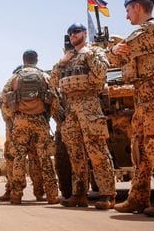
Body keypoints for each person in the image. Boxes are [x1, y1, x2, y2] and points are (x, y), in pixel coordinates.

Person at [107, 0, 154, 217]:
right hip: (145, 94)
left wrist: (112, 50)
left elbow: (118, 57)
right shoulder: (149, 30)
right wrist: (117, 48)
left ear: (137, 7)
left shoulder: (150, 29)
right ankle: (138, 198)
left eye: (128, 11)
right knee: (140, 149)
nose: (126, 16)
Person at [50, 23, 116, 210]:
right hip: (70, 107)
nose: (72, 35)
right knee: (75, 153)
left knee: (97, 150)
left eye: (76, 32)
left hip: (89, 104)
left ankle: (107, 194)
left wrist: (86, 54)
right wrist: (62, 62)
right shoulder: (67, 59)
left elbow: (101, 73)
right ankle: (79, 194)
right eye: (70, 33)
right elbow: (54, 81)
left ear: (85, 34)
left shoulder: (94, 51)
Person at [0, 50, 59, 205]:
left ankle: (16, 195)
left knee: (18, 157)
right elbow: (55, 98)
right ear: (36, 60)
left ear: (23, 60)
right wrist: (47, 116)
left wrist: (12, 115)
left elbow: (2, 98)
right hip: (40, 120)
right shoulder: (45, 76)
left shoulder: (15, 77)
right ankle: (52, 195)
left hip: (20, 121)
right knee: (44, 158)